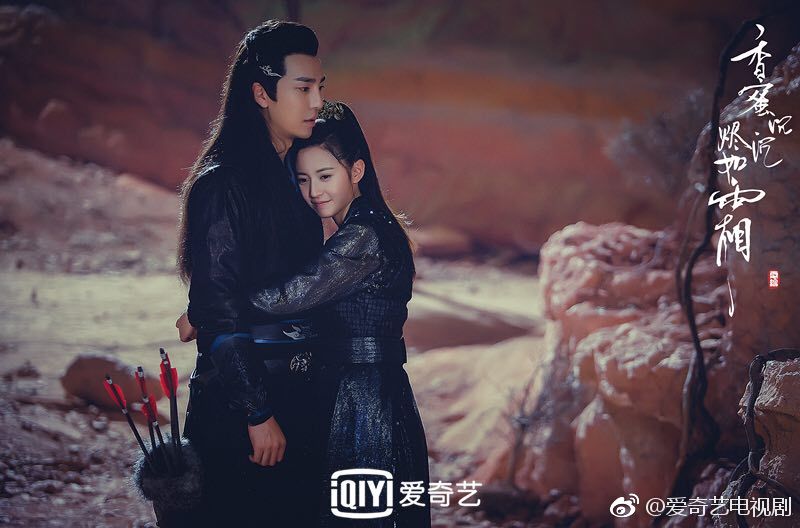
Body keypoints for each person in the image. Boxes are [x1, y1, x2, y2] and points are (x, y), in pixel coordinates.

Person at [247, 101, 432, 527]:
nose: (315, 191)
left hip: (363, 398)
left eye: (325, 176)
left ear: (357, 171)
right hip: (369, 389)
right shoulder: (367, 227)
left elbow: (286, 297)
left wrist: (212, 305)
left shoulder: (362, 236)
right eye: (303, 179)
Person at [175, 19, 325, 527]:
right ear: (261, 93)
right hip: (241, 406)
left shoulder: (294, 176)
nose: (316, 101)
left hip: (297, 394)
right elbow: (220, 311)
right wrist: (257, 413)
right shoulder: (222, 184)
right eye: (302, 88)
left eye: (320, 87)